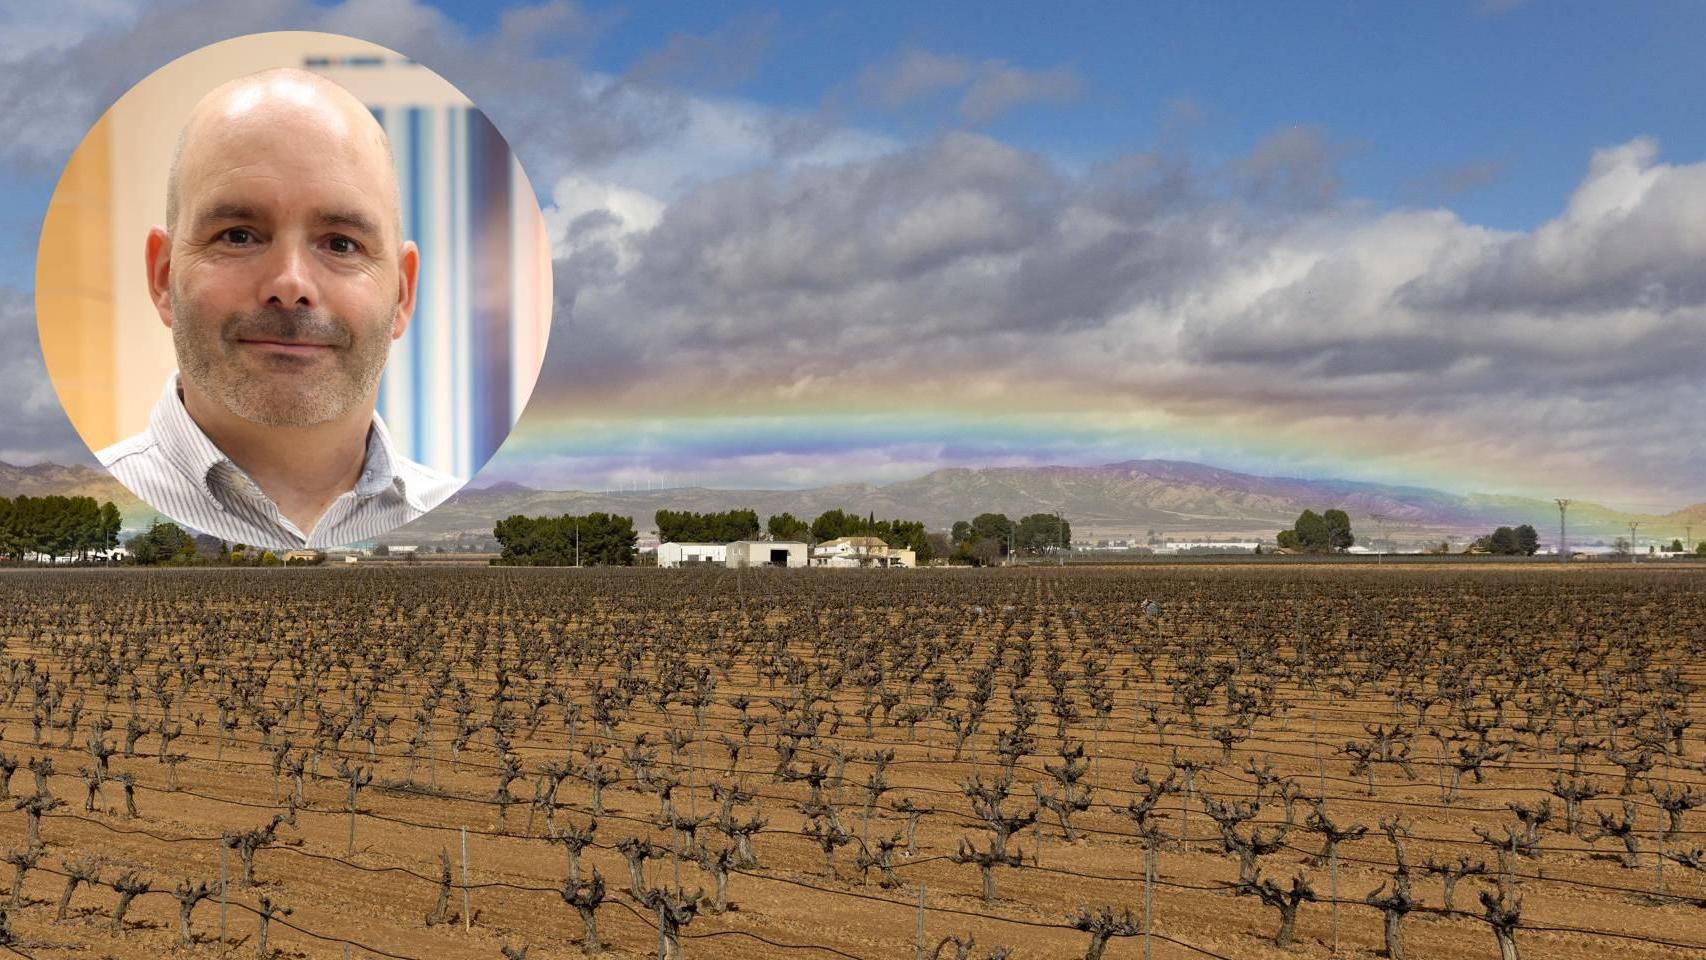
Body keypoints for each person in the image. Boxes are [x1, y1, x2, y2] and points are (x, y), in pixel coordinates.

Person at [98, 68, 460, 549]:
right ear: (163, 276)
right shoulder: (95, 508)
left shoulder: (454, 516)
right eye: (238, 235)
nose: (290, 284)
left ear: (402, 293)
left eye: (341, 243)